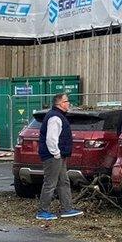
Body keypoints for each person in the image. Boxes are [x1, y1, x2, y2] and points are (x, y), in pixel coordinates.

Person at [36, 93, 82, 221]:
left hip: (59, 156)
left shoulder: (58, 116)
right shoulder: (55, 118)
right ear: (61, 104)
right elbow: (51, 138)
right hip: (53, 156)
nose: (69, 104)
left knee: (63, 181)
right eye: (67, 101)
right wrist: (56, 153)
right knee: (50, 183)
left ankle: (67, 208)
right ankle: (43, 211)